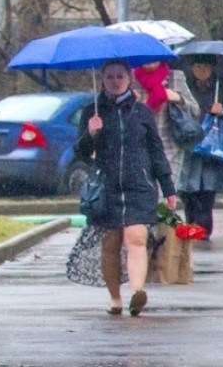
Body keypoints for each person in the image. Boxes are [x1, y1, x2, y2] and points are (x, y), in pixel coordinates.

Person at [73, 59, 177, 316]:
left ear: (129, 78)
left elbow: (156, 151)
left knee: (136, 237)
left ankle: (137, 292)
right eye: (110, 77)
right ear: (103, 78)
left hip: (139, 184)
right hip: (107, 186)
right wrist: (90, 134)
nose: (115, 81)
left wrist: (168, 187)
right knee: (111, 242)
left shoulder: (142, 113)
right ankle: (115, 298)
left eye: (120, 76)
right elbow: (82, 153)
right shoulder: (92, 111)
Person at [179, 55, 223, 240]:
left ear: (212, 68)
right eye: (197, 66)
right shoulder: (185, 85)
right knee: (188, 189)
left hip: (212, 147)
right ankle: (192, 224)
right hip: (190, 143)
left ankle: (203, 229)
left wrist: (222, 111)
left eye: (205, 67)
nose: (201, 71)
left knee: (207, 188)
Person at [132, 60, 199, 180]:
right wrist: (130, 102)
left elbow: (195, 111)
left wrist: (178, 98)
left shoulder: (175, 77)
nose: (150, 61)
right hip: (139, 147)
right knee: (145, 194)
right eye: (146, 57)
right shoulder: (131, 78)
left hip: (169, 148)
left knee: (166, 195)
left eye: (154, 57)